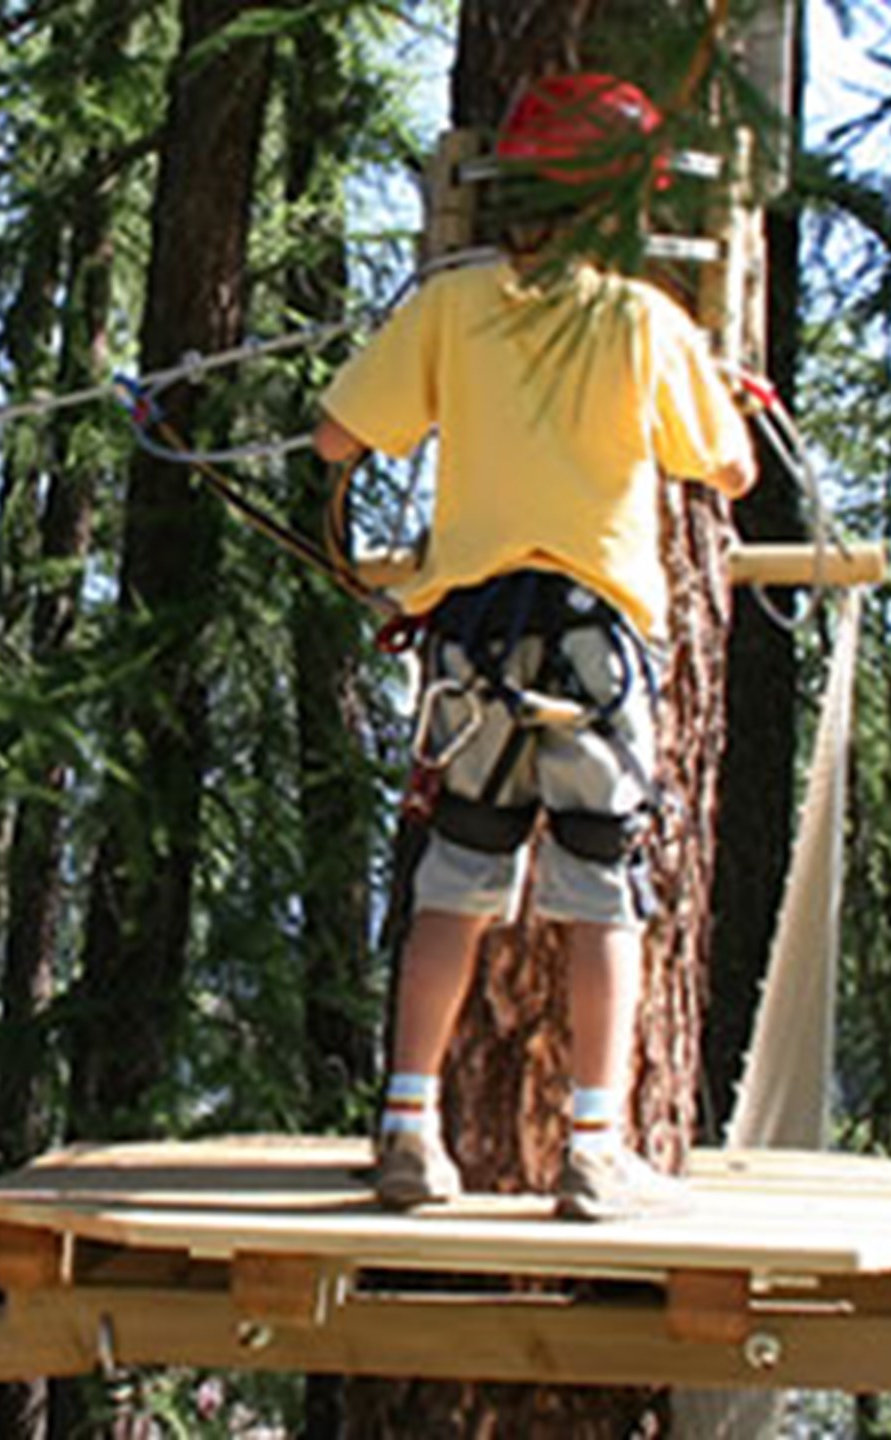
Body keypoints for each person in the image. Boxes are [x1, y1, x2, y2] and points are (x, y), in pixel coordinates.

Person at [313, 74, 757, 1220]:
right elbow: (730, 468)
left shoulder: (453, 305)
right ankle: (595, 1151)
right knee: (604, 889)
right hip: (596, 646)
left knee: (456, 881)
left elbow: (336, 439)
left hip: (475, 648)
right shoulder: (644, 320)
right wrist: (714, 383)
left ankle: (408, 1129)